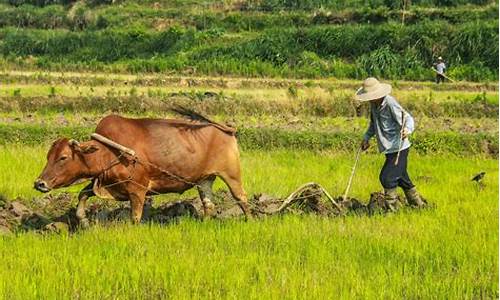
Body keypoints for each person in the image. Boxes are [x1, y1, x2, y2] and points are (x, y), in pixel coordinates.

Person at [355, 77, 426, 211]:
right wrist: (366, 138)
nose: (369, 99)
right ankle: (419, 205)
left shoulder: (390, 103)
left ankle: (392, 211)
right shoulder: (374, 105)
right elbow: (373, 124)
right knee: (402, 179)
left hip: (399, 147)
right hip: (388, 149)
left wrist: (407, 129)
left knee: (387, 178)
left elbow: (408, 117)